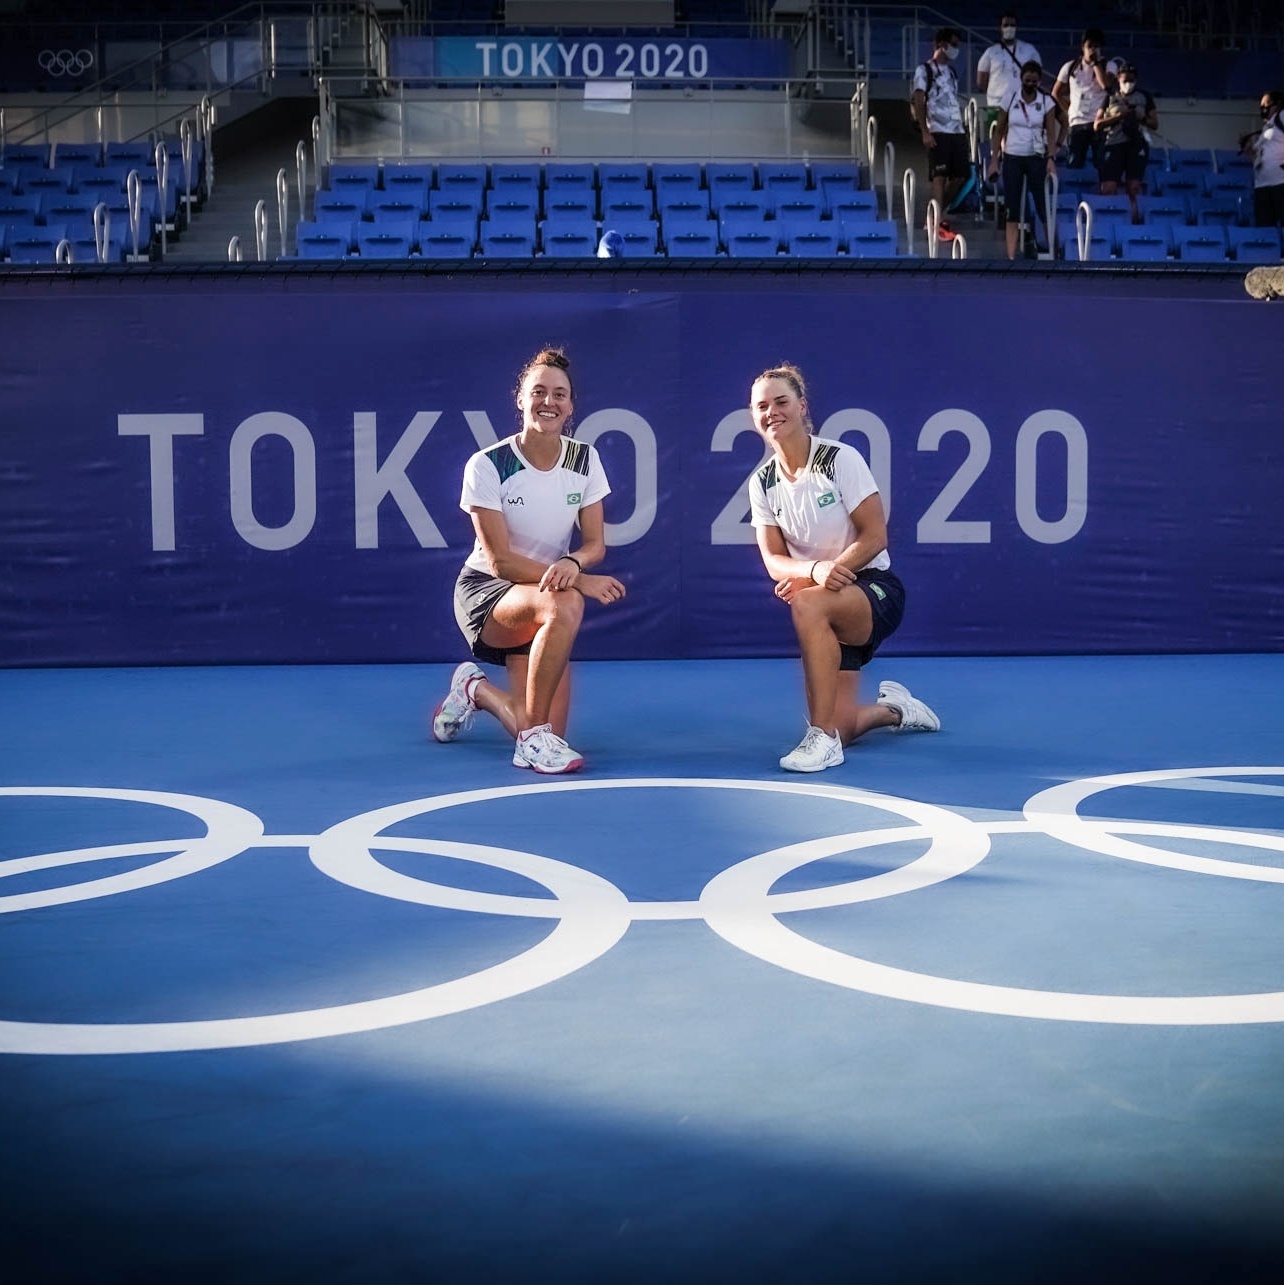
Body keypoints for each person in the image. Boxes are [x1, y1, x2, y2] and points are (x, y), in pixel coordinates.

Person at [430, 346, 626, 774]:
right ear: (520, 399)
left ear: (571, 405)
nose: (548, 402)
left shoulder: (584, 459)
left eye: (559, 394)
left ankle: (475, 690)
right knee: (567, 604)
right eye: (539, 392)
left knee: (543, 725)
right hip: (489, 595)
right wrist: (580, 582)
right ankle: (532, 742)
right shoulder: (487, 465)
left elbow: (594, 544)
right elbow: (501, 562)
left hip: (545, 593)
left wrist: (575, 564)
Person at [747, 364, 939, 773]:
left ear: (802, 407)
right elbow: (772, 559)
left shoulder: (839, 459)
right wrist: (812, 573)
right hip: (827, 599)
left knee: (808, 606)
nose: (772, 412)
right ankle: (896, 711)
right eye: (762, 406)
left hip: (875, 592)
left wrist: (821, 574)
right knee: (846, 724)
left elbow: (875, 537)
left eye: (781, 401)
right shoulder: (762, 483)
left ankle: (820, 736)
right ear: (753, 417)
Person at [988, 59, 1059, 259]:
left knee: (1042, 206)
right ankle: (1011, 256)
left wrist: (1051, 158)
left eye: (1034, 81)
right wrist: (994, 160)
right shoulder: (1010, 99)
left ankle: (1053, 253)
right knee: (1012, 207)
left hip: (1036, 157)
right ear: (1021, 79)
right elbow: (999, 130)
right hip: (1013, 157)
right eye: (1027, 80)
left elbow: (1052, 134)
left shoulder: (1046, 102)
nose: (1030, 84)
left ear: (1039, 81)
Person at [912, 27, 969, 243]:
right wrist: (924, 132)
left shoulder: (952, 72)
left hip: (956, 129)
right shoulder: (924, 70)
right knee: (939, 176)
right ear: (941, 45)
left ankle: (934, 215)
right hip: (937, 129)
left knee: (962, 176)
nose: (956, 49)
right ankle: (935, 224)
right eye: (953, 44)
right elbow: (919, 99)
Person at [1053, 28, 1123, 173]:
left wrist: (1095, 64)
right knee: (1074, 164)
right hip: (1077, 123)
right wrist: (1070, 109)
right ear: (1082, 47)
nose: (1093, 49)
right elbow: (1056, 93)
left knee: (1101, 165)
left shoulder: (1109, 66)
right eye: (1090, 46)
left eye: (1096, 46)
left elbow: (1106, 85)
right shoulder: (1070, 67)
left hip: (1099, 123)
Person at [1094, 62, 1157, 221]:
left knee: (1133, 187)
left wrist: (1140, 116)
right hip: (1114, 144)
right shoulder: (1110, 97)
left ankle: (1134, 220)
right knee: (1108, 186)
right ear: (1118, 79)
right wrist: (1119, 116)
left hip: (1136, 144)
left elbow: (1155, 123)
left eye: (1131, 79)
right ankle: (1108, 218)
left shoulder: (1144, 97)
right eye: (1125, 80)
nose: (1128, 83)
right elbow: (1097, 124)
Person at [977, 12, 1042, 134]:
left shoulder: (1029, 50)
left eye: (1012, 25)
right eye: (1006, 25)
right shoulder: (990, 52)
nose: (1009, 28)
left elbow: (1038, 76)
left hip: (1023, 104)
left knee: (1020, 140)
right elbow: (981, 81)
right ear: (1000, 28)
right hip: (996, 105)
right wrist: (997, 93)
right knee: (997, 139)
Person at [1240, 90, 1284, 228]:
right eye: (1261, 105)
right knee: (1265, 229)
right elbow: (1257, 159)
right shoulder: (1265, 130)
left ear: (1277, 105)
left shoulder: (1282, 117)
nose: (1263, 108)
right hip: (1262, 186)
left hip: (1280, 183)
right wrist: (1248, 150)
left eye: (1266, 104)